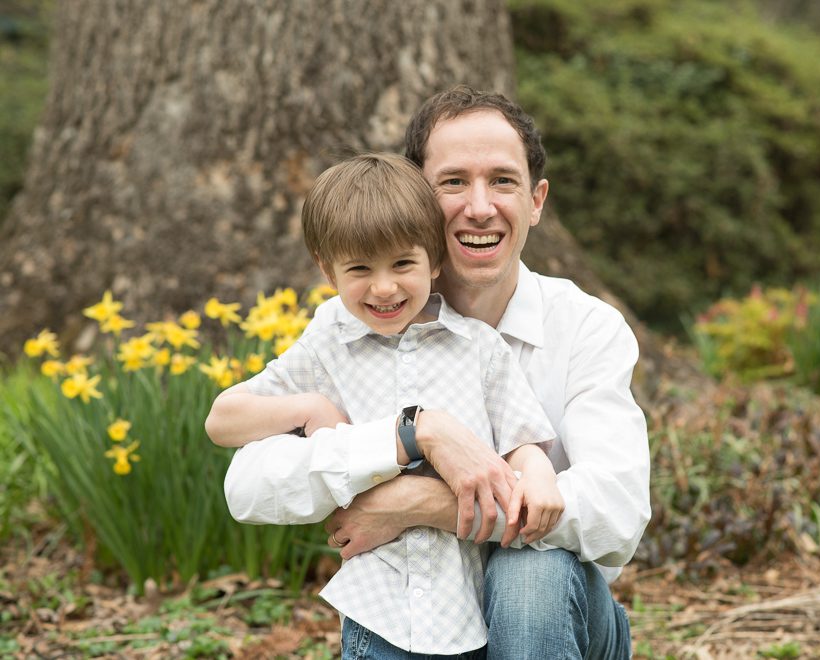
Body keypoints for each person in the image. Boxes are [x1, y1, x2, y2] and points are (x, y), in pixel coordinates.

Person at [220, 85, 650, 659]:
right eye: (453, 182)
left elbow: (616, 513)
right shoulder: (355, 323)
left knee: (529, 573)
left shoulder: (586, 328)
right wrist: (408, 433)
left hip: (558, 622)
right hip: (419, 618)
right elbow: (248, 484)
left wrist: (419, 506)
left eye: (503, 180)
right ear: (419, 200)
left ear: (537, 200)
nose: (479, 206)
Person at [205, 152, 563, 657]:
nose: (384, 287)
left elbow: (520, 443)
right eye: (359, 269)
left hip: (470, 608)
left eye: (402, 264)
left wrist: (540, 475)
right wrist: (307, 407)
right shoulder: (326, 346)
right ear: (326, 269)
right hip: (379, 614)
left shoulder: (478, 347)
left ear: (434, 259)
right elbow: (222, 421)